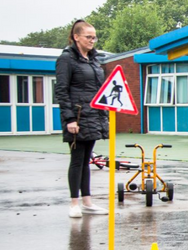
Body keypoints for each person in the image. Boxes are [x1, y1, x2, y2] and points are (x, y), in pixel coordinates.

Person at [55, 19, 109, 218]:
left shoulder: (94, 60)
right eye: (88, 37)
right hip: (76, 117)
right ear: (76, 37)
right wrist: (69, 119)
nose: (92, 40)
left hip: (93, 116)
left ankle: (87, 201)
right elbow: (61, 90)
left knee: (87, 159)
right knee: (77, 160)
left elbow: (99, 89)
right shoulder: (66, 59)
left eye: (94, 37)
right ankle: (74, 203)